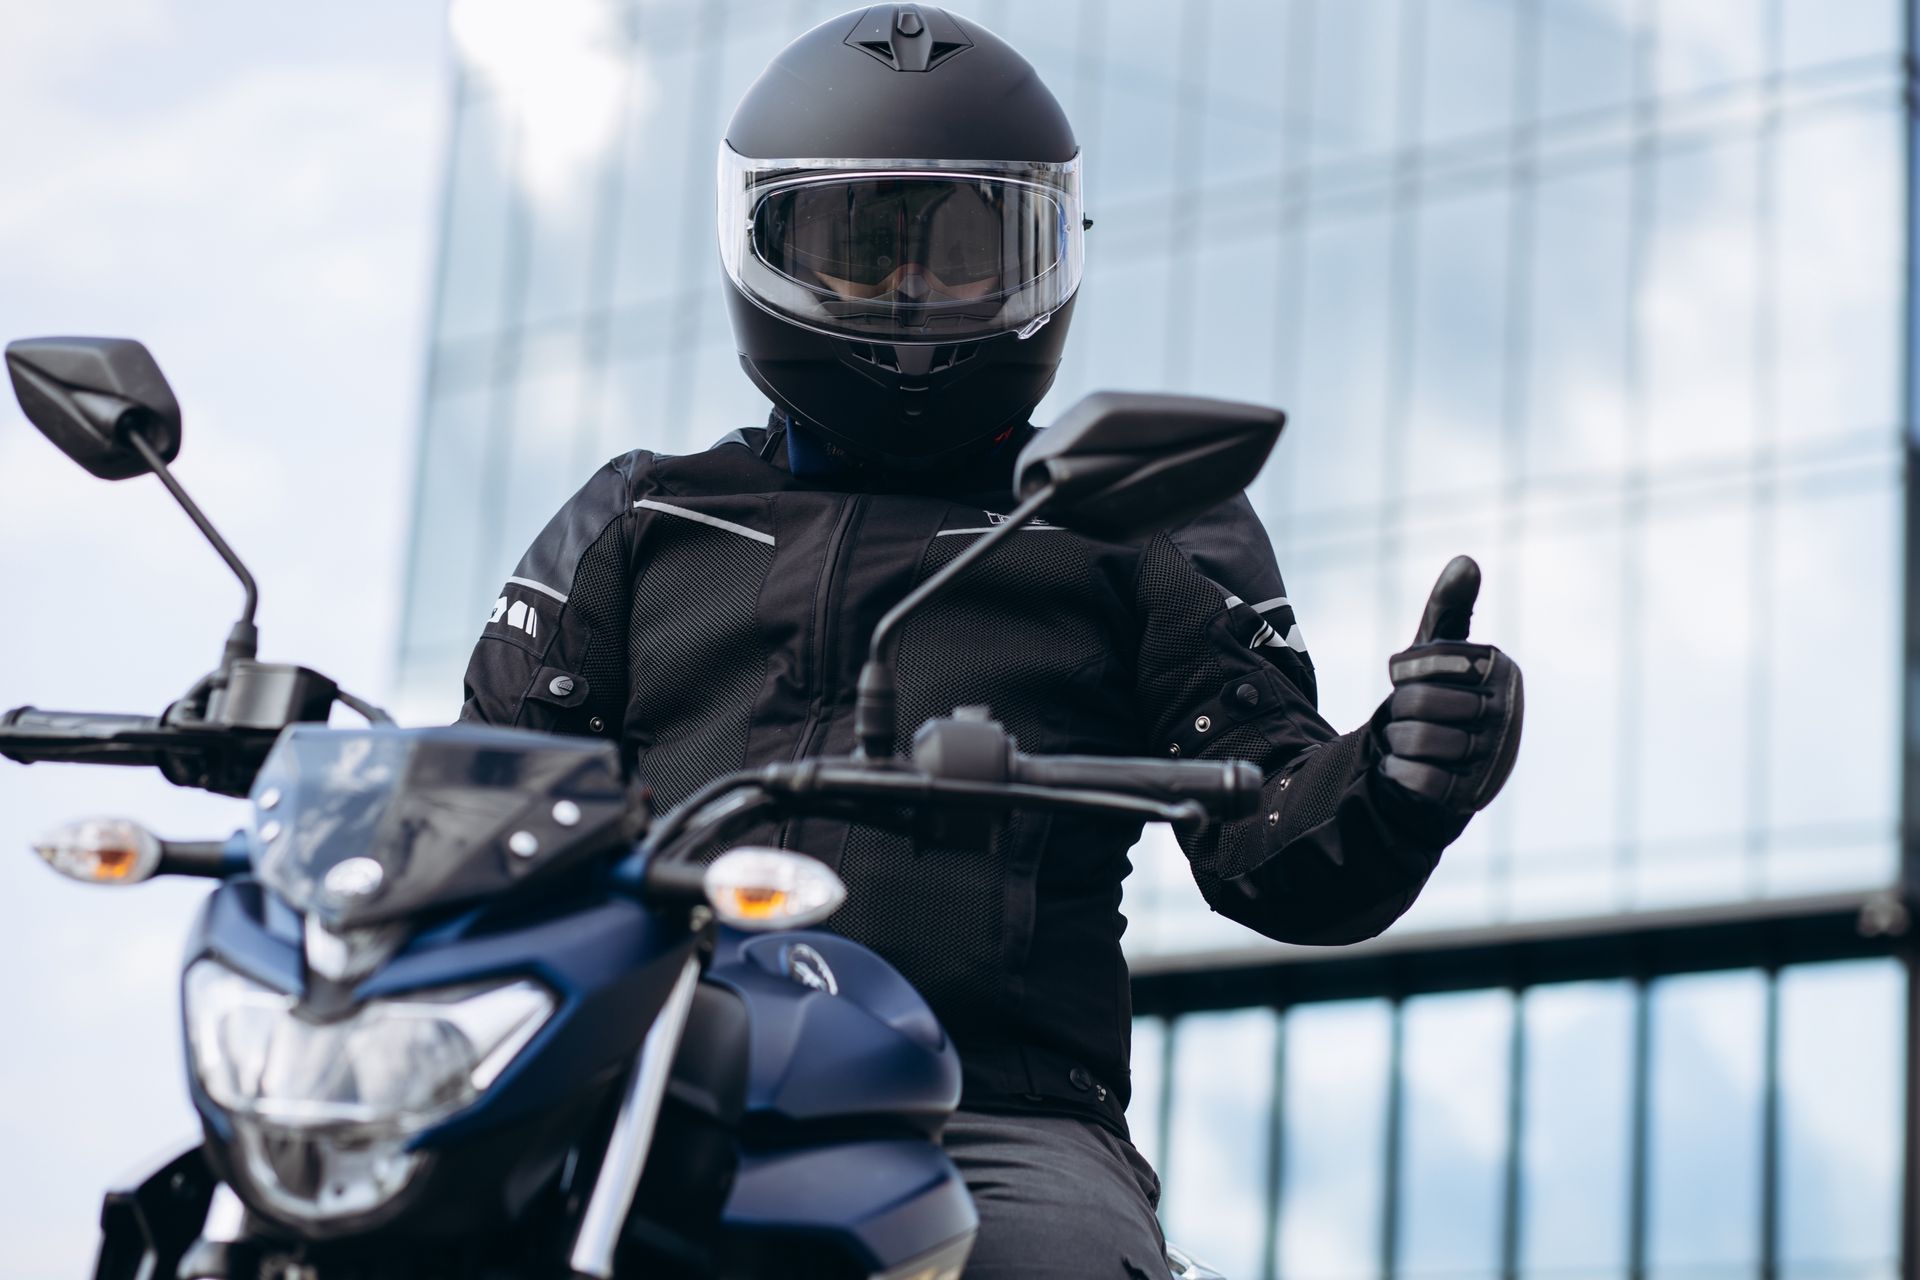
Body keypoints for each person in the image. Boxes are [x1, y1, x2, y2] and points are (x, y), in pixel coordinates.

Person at [458, 5, 1524, 1276]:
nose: (911, 292)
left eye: (964, 249)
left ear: (1049, 253)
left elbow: (1271, 835)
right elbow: (484, 792)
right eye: (861, 248)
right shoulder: (643, 513)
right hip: (638, 1056)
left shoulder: (1129, 511)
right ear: (762, 245)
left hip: (985, 1108)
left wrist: (1398, 777)